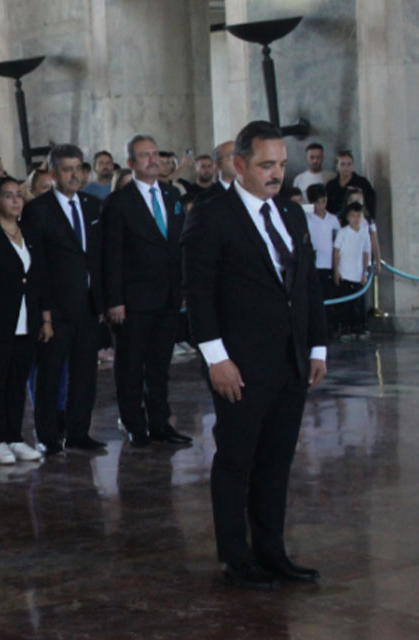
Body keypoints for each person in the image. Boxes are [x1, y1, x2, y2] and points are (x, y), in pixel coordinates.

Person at [183, 120, 328, 590]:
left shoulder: (291, 215)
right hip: (239, 364)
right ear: (239, 165)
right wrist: (215, 358)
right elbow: (199, 293)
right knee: (236, 460)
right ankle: (235, 557)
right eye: (267, 165)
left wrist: (317, 347)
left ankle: (271, 551)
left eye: (282, 165)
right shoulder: (211, 214)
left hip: (289, 361)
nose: (277, 174)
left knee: (277, 459)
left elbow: (307, 286)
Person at [103, 134, 191, 448]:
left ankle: (160, 423)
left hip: (167, 297)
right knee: (130, 366)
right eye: (144, 155)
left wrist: (182, 287)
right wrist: (114, 300)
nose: (152, 160)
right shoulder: (118, 201)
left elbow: (178, 245)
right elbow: (111, 255)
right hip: (132, 301)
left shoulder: (171, 195)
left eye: (155, 153)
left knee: (159, 365)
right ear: (130, 163)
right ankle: (134, 424)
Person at [20, 145, 105, 454]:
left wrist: (103, 302)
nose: (74, 175)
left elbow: (98, 258)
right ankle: (47, 436)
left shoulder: (93, 205)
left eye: (78, 168)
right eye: (67, 169)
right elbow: (36, 265)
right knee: (50, 374)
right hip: (54, 307)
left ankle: (79, 431)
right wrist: (44, 313)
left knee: (85, 373)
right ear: (53, 173)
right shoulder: (38, 209)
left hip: (88, 305)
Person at [0, 176, 52, 464]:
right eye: (8, 196)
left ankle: (14, 436)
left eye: (19, 195)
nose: (16, 201)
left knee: (17, 380)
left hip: (27, 319)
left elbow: (40, 278)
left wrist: (45, 319)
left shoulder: (29, 232)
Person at [304, 184, 339, 335]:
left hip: (329, 265)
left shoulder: (333, 219)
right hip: (315, 265)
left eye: (323, 201)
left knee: (330, 297)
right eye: (317, 202)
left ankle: (331, 327)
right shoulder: (307, 219)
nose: (321, 205)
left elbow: (338, 241)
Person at [333, 202, 371, 339]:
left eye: (358, 215)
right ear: (348, 217)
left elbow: (366, 252)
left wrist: (365, 272)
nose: (355, 218)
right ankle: (345, 329)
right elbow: (336, 251)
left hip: (358, 274)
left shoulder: (364, 233)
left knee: (358, 304)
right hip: (344, 273)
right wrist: (336, 271)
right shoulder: (343, 232)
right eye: (352, 216)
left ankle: (359, 328)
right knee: (345, 304)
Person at [324, 150, 376, 217]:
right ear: (337, 166)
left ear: (353, 165)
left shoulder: (362, 183)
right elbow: (326, 207)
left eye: (349, 164)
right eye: (342, 164)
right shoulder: (330, 185)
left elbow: (371, 206)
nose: (346, 167)